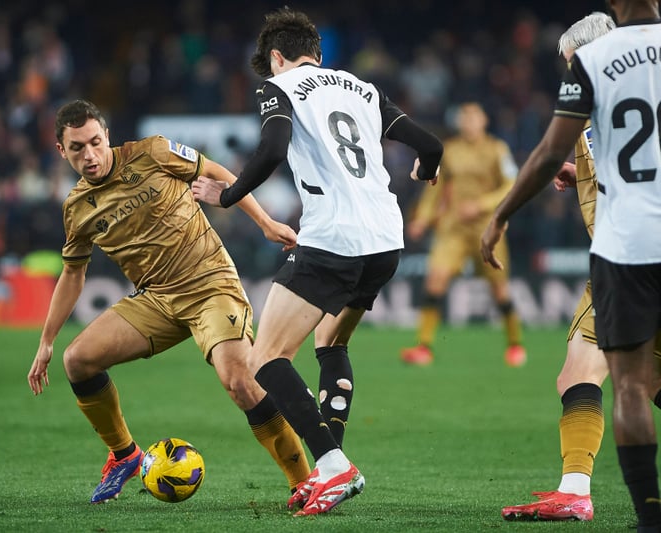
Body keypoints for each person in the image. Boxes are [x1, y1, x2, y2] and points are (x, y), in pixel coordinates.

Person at [192, 7, 443, 516]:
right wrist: (425, 169)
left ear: (276, 58)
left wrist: (228, 195)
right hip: (385, 241)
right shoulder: (363, 88)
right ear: (318, 54)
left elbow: (272, 148)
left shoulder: (278, 86)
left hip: (334, 238)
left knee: (265, 359)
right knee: (331, 342)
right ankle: (332, 469)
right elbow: (431, 145)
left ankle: (332, 465)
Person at [26, 99, 312, 505]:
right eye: (77, 148)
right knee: (78, 360)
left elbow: (217, 172)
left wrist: (265, 222)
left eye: (94, 142)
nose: (89, 155)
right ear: (61, 150)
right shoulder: (77, 209)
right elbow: (73, 274)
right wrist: (46, 341)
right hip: (157, 299)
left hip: (210, 284)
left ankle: (304, 482)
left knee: (239, 381)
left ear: (106, 135)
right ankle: (124, 455)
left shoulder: (153, 152)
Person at [481, 1, 661, 530]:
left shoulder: (598, 67)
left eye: (568, 63)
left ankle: (579, 493)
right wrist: (578, 171)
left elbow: (551, 150)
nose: (567, 72)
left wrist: (501, 214)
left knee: (586, 373)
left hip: (626, 252)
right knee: (649, 380)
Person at [400, 101, 526, 367]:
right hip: (453, 227)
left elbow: (510, 184)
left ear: (484, 121)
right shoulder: (450, 151)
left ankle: (515, 345)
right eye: (465, 118)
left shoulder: (497, 149)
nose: (469, 123)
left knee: (500, 290)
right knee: (435, 279)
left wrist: (481, 205)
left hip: (487, 229)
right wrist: (422, 218)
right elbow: (435, 188)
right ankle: (424, 347)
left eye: (473, 118)